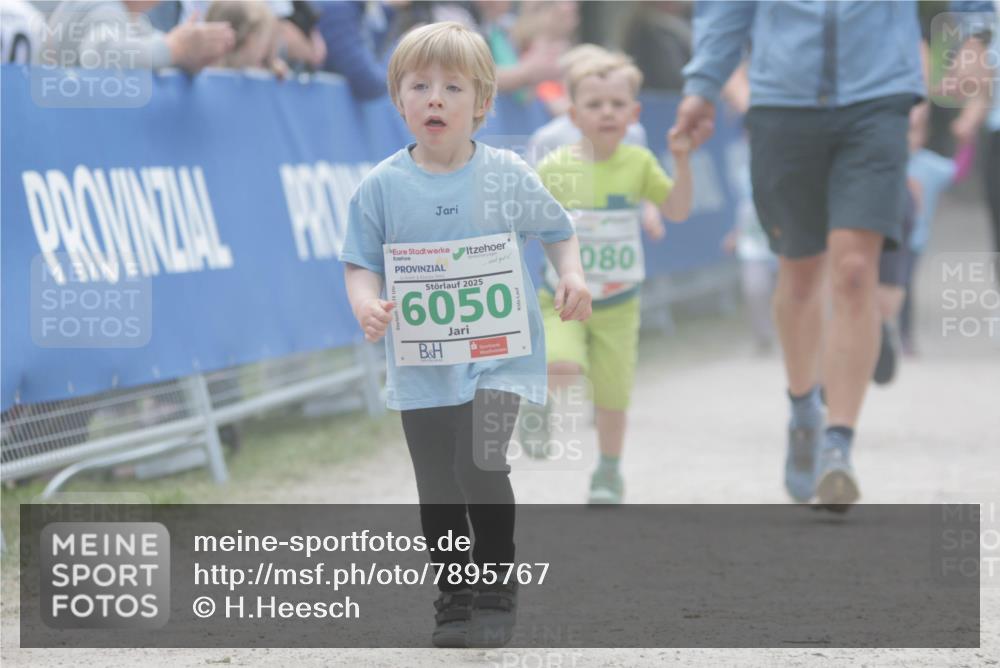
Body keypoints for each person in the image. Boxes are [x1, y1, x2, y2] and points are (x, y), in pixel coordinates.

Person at [673, 0, 995, 511]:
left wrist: (975, 41)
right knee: (799, 276)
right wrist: (702, 85)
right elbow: (725, 9)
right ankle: (804, 411)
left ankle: (838, 445)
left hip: (879, 98)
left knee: (853, 270)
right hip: (783, 102)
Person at [339, 21, 591, 647]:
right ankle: (453, 597)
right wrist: (367, 304)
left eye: (453, 87)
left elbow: (558, 230)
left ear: (481, 104)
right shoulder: (380, 187)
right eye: (419, 85)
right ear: (398, 98)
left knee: (478, 462)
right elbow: (359, 263)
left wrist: (572, 276)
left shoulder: (506, 174)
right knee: (438, 483)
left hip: (500, 358)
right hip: (422, 364)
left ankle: (496, 587)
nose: (435, 99)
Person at [528, 51, 692, 504]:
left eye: (617, 104)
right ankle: (539, 403)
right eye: (595, 105)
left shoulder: (638, 164)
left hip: (620, 303)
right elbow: (525, 218)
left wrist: (683, 161)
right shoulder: (557, 166)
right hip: (563, 298)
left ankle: (609, 472)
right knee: (562, 367)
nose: (607, 113)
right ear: (574, 115)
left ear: (634, 114)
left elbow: (676, 209)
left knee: (613, 400)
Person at [41, 0, 234, 73]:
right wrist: (176, 48)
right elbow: (100, 54)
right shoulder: (101, 6)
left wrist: (188, 57)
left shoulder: (134, 22)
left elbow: (155, 50)